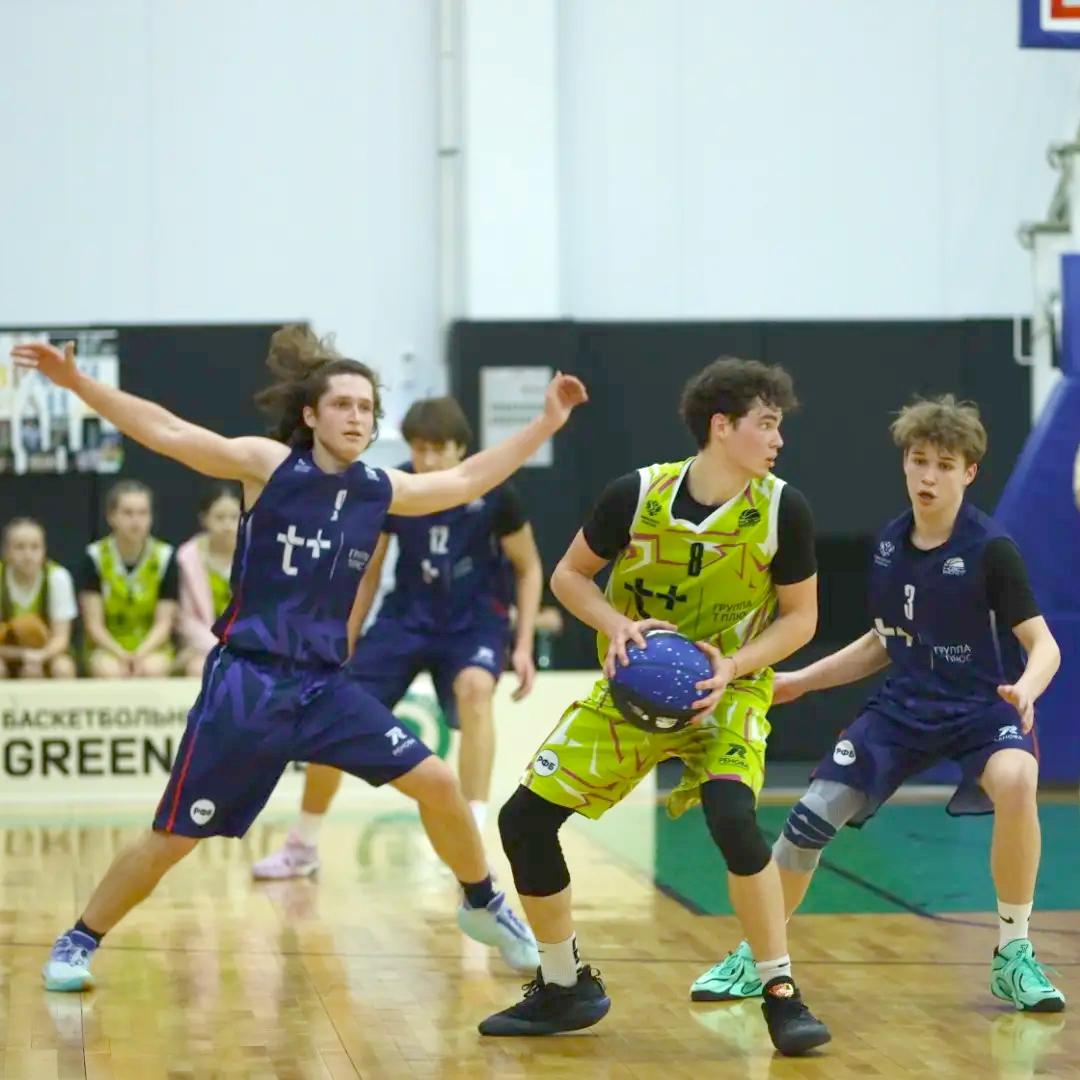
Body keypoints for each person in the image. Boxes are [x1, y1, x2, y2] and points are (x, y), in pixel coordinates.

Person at [11, 326, 586, 993]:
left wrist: (546, 424)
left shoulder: (380, 488)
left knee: (436, 781)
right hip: (247, 683)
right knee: (175, 837)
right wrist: (79, 383)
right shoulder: (269, 467)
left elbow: (463, 479)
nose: (355, 416)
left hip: (322, 687)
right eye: (341, 404)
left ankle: (482, 901)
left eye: (366, 407)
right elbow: (167, 431)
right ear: (311, 415)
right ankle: (80, 938)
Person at [479, 357, 831, 1056]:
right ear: (721, 426)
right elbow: (569, 576)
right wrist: (615, 625)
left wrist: (734, 666)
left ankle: (780, 991)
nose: (778, 439)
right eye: (766, 424)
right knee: (524, 820)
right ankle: (563, 985)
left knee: (732, 817)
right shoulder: (636, 495)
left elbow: (801, 619)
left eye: (778, 427)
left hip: (727, 686)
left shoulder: (782, 508)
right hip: (634, 686)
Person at [691, 395, 1065, 1013]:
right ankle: (756, 957)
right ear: (904, 464)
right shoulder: (890, 544)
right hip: (903, 711)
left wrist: (1025, 689)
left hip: (982, 709)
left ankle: (1014, 953)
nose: (928, 476)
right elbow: (884, 642)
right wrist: (799, 681)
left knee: (1018, 780)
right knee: (811, 816)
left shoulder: (991, 549)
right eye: (919, 461)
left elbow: (1044, 644)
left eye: (944, 465)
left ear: (969, 473)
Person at [253, 395, 543, 879]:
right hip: (405, 620)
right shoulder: (395, 487)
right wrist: (343, 638)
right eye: (419, 449)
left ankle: (471, 841)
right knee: (331, 708)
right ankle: (303, 844)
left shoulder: (495, 493)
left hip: (473, 621)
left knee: (475, 689)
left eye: (438, 449)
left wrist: (525, 643)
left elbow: (529, 567)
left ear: (461, 448)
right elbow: (369, 571)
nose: (427, 460)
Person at [77, 479, 177, 677]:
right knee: (110, 670)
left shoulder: (165, 557)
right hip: (107, 647)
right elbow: (94, 625)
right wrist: (122, 655)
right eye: (128, 513)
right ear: (111, 517)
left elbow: (164, 624)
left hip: (151, 647)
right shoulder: (94, 557)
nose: (136, 521)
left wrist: (139, 655)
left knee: (152, 668)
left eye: (142, 513)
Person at [176, 483, 242, 676]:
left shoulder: (256, 554)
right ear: (204, 519)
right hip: (202, 645)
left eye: (234, 517)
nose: (227, 525)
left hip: (246, 645)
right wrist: (218, 645)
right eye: (219, 518)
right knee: (199, 668)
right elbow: (186, 619)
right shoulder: (188, 557)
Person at [0, 517, 78, 678]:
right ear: (6, 552)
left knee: (63, 668)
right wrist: (23, 655)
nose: (28, 555)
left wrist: (39, 657)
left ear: (44, 551)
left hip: (46, 652)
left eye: (35, 547)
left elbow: (61, 638)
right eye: (19, 547)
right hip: (7, 653)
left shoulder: (58, 578)